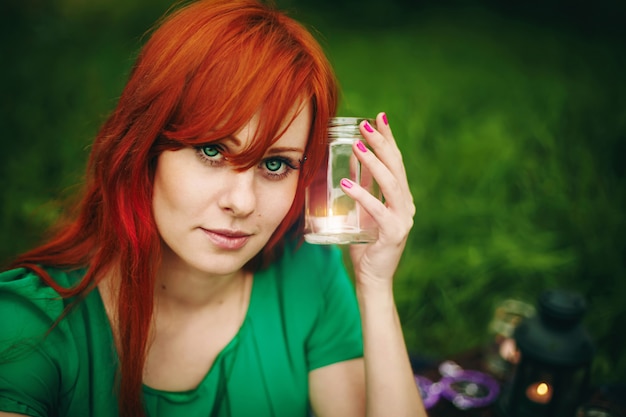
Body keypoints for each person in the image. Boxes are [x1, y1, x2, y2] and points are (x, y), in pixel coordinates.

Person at [0, 0, 425, 416]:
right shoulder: (29, 328)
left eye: (275, 164)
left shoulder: (306, 273)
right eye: (211, 151)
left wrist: (374, 284)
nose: (241, 202)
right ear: (144, 148)